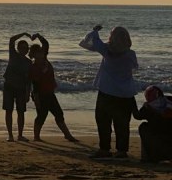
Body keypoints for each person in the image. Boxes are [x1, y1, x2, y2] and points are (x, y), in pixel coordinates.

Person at [79, 24, 138, 159]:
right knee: (122, 124)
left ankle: (105, 149)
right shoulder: (130, 54)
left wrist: (95, 31)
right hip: (125, 93)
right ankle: (121, 150)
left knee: (103, 121)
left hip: (107, 91)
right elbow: (134, 67)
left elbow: (90, 42)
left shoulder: (106, 50)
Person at [29, 33, 77, 143]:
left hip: (50, 93)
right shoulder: (34, 67)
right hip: (40, 95)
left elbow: (45, 44)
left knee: (59, 114)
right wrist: (36, 99)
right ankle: (36, 137)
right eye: (38, 53)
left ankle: (67, 135)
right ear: (33, 55)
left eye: (41, 52)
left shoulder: (45, 59)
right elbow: (35, 85)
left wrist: (38, 36)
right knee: (41, 116)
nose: (41, 53)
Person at [2, 32, 32, 142]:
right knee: (8, 110)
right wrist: (23, 34)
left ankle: (20, 135)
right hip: (9, 86)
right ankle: (10, 135)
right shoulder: (13, 55)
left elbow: (29, 80)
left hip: (21, 88)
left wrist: (28, 93)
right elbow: (11, 40)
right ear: (19, 48)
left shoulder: (28, 62)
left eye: (27, 48)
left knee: (21, 112)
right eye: (23, 48)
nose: (26, 50)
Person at [133, 85, 172, 164]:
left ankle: (147, 158)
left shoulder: (148, 107)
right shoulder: (169, 100)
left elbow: (137, 116)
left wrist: (132, 102)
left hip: (159, 139)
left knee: (143, 127)